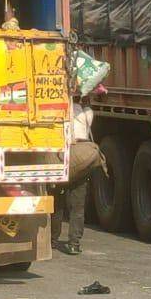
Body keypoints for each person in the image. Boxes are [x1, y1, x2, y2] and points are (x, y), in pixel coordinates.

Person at [51, 94, 95, 255]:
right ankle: (74, 243)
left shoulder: (57, 111)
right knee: (77, 206)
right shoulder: (87, 113)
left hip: (62, 155)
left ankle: (52, 240)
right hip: (81, 158)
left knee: (57, 203)